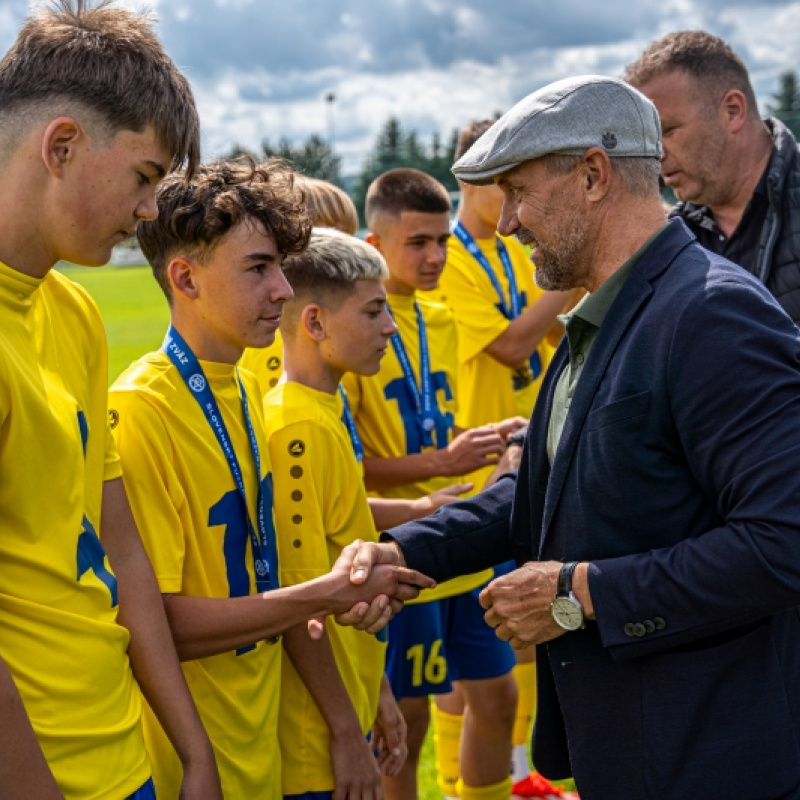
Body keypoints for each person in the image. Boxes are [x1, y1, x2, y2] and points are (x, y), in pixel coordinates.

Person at [346, 75, 800, 799]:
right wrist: (402, 554)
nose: (510, 222)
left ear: (593, 175)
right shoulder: (602, 315)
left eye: (520, 193)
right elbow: (544, 496)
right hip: (631, 746)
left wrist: (577, 591)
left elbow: (782, 544)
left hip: (711, 756)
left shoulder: (713, 316)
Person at [110, 160, 431, 798]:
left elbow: (270, 576)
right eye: (259, 268)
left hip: (260, 745)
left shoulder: (249, 395)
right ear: (185, 278)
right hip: (190, 761)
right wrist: (324, 594)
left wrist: (365, 692)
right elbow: (155, 622)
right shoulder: (143, 409)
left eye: (281, 267)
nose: (283, 290)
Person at [0, 2, 225, 797]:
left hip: (121, 755)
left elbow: (118, 543)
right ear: (61, 146)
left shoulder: (74, 312)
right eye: (144, 177)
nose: (149, 212)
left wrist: (189, 749)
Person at [343, 168, 522, 800]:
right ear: (375, 243)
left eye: (442, 240)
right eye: (418, 242)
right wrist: (441, 465)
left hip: (462, 529)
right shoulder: (353, 325)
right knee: (409, 720)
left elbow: (438, 427)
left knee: (498, 697)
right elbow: (352, 466)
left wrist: (486, 437)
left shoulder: (439, 319)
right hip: (404, 545)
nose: (435, 256)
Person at [435, 120, 574, 800]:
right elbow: (515, 346)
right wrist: (575, 276)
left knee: (515, 633)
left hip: (525, 450)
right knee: (475, 642)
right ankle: (454, 776)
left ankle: (519, 776)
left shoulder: (512, 251)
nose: (518, 201)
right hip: (476, 463)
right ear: (470, 180)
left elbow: (549, 331)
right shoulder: (454, 260)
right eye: (508, 183)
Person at [265, 228, 408, 800]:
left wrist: (377, 695)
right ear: (316, 323)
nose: (390, 327)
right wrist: (344, 731)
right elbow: (303, 602)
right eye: (374, 311)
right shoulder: (296, 427)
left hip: (346, 704)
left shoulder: (329, 407)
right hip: (314, 739)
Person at [624, 30, 800, 324]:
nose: (656, 155)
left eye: (667, 131)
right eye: (649, 141)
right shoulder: (667, 242)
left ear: (733, 111)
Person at [239, 176, 361, 395]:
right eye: (335, 238)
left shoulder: (337, 324)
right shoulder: (279, 339)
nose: (349, 252)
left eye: (350, 238)